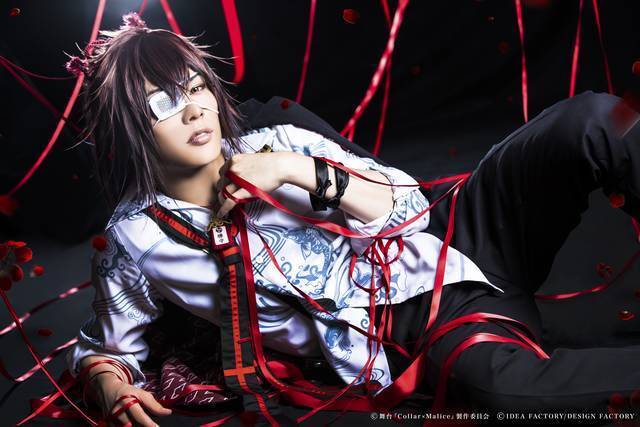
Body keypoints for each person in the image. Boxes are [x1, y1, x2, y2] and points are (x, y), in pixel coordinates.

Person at [64, 11, 640, 427]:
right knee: (504, 393)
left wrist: (295, 169)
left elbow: (408, 209)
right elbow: (108, 345)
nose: (194, 109)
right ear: (128, 129)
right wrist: (110, 383)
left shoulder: (279, 137)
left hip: (457, 234)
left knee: (590, 122)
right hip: (409, 330)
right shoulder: (136, 239)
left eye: (195, 87)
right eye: (163, 103)